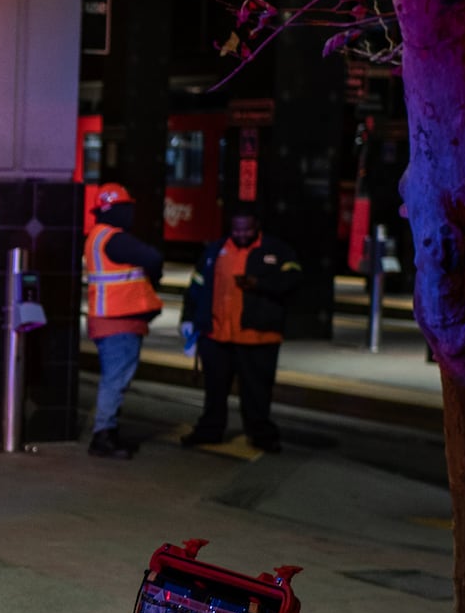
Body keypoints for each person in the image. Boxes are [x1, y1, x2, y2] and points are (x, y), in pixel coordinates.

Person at [180, 207, 303, 453]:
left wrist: (260, 284)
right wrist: (189, 318)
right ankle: (210, 431)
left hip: (257, 336)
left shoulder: (276, 250)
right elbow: (196, 286)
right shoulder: (214, 251)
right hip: (217, 334)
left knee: (257, 391)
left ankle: (261, 434)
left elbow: (294, 279)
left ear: (256, 225)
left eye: (246, 228)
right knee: (214, 390)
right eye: (237, 228)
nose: (241, 233)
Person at [82, 183, 164, 459]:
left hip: (107, 318)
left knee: (113, 379)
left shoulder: (96, 236)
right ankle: (103, 435)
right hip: (119, 319)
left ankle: (106, 432)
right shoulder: (115, 238)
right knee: (115, 381)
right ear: (121, 210)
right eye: (127, 208)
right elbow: (152, 257)